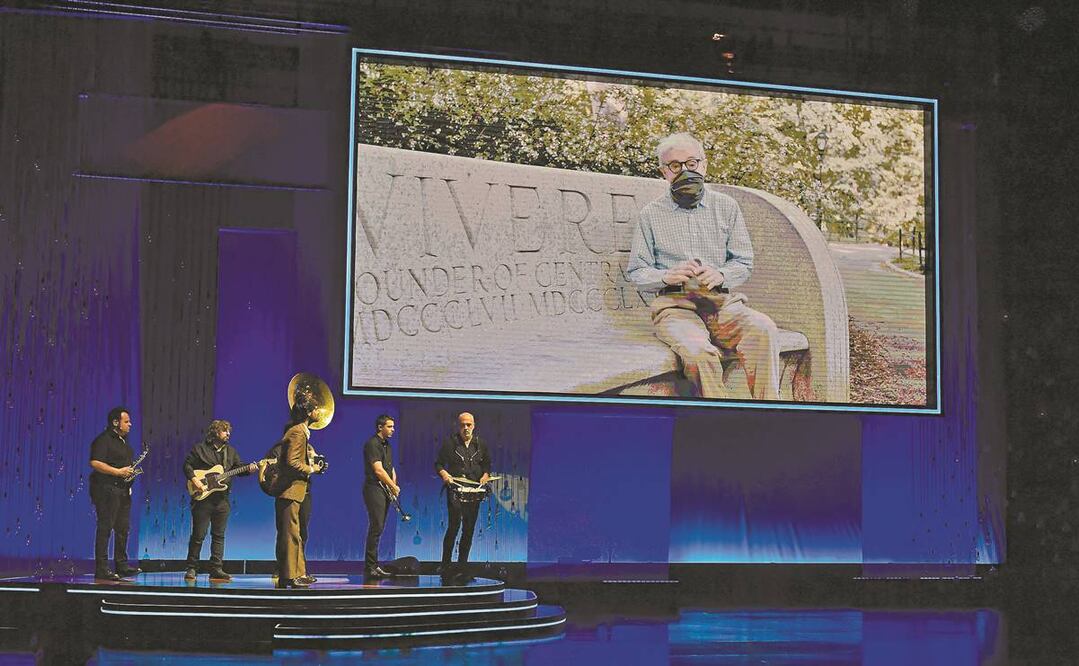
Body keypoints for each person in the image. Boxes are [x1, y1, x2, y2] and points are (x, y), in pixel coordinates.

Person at [627, 132, 782, 400]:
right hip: (675, 308)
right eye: (675, 166)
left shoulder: (726, 207)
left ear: (704, 164)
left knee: (763, 328)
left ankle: (769, 416)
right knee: (701, 353)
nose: (685, 171)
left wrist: (720, 274)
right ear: (664, 172)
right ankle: (719, 423)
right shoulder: (650, 215)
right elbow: (637, 272)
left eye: (691, 163)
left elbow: (743, 262)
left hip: (721, 304)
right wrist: (666, 276)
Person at [182, 420, 257, 582]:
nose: (228, 433)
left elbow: (239, 468)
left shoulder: (230, 452)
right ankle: (192, 568)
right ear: (215, 432)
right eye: (224, 431)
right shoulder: (199, 449)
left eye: (229, 431)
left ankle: (216, 568)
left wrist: (250, 469)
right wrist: (195, 480)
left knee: (219, 535)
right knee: (198, 535)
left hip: (222, 500)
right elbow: (187, 465)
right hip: (202, 500)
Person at [273, 389, 326, 589]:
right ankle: (289, 576)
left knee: (294, 533)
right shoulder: (297, 431)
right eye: (315, 410)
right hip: (290, 490)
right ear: (308, 412)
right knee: (290, 534)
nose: (318, 413)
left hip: (295, 490)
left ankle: (297, 573)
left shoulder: (300, 432)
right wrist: (311, 468)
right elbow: (292, 462)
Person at [435, 412, 491, 580]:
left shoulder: (480, 444)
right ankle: (445, 565)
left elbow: (487, 464)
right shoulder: (450, 443)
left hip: (473, 492)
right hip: (455, 491)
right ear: (457, 426)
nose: (466, 428)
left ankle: (462, 566)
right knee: (454, 527)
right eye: (463, 425)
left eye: (469, 425)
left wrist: (485, 476)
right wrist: (445, 475)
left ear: (474, 425)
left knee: (469, 530)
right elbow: (438, 463)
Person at [89, 407, 142, 581]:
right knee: (105, 528)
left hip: (123, 491)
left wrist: (130, 474)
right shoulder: (103, 440)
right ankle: (102, 568)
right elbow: (95, 463)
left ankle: (122, 564)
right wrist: (118, 472)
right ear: (115, 422)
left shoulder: (124, 443)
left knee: (123, 529)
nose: (130, 424)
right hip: (106, 491)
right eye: (126, 421)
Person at [362, 414, 399, 579]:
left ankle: (374, 565)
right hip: (374, 488)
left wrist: (393, 487)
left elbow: (390, 468)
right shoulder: (372, 444)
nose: (393, 430)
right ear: (380, 427)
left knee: (380, 527)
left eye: (393, 427)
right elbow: (378, 470)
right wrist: (392, 485)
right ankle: (370, 566)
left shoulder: (387, 446)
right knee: (376, 526)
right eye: (390, 426)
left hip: (384, 489)